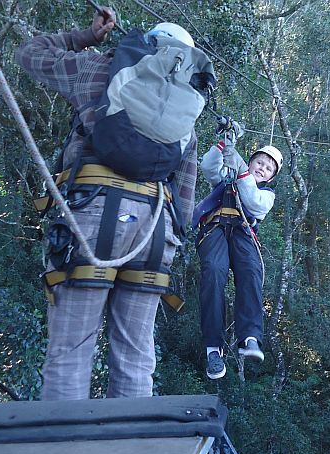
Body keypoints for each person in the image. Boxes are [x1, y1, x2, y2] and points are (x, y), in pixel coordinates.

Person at [15, 9, 200, 399]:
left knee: (71, 352)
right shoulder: (186, 110)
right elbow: (184, 189)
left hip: (93, 216)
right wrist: (172, 245)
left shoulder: (95, 68)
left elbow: (30, 53)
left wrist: (86, 36)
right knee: (135, 358)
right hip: (153, 230)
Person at [193, 132, 283, 379]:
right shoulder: (227, 177)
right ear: (252, 161)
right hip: (215, 228)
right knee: (213, 272)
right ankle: (213, 348)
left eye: (268, 168)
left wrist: (242, 168)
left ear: (272, 177)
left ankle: (250, 337)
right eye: (259, 163)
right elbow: (208, 167)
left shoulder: (267, 195)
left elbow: (254, 202)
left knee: (251, 272)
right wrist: (224, 143)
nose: (262, 169)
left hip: (243, 233)